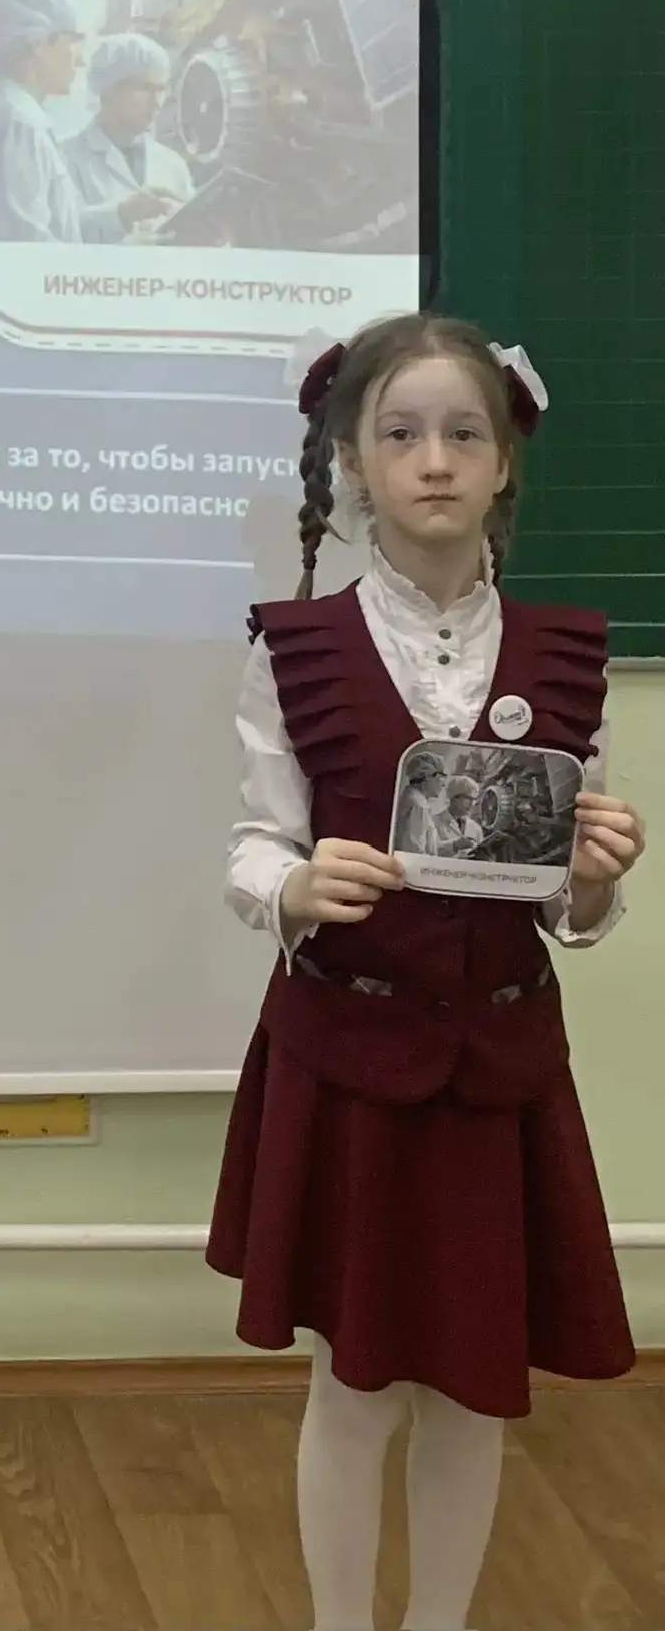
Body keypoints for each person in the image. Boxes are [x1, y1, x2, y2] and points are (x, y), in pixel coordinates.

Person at [210, 312, 647, 1631]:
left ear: (505, 461)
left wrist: (595, 880)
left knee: (471, 1387)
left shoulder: (566, 656)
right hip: (350, 1059)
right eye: (402, 433)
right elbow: (255, 841)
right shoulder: (296, 645)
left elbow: (567, 900)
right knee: (354, 1385)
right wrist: (292, 887)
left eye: (466, 433)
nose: (437, 459)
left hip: (498, 1072)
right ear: (353, 460)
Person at [0, 0, 90, 243]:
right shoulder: (19, 124)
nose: (81, 60)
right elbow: (27, 248)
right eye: (74, 42)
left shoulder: (3, 108)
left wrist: (120, 217)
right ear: (40, 44)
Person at [63, 32, 194, 242]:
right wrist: (123, 213)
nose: (156, 102)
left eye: (161, 89)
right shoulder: (65, 158)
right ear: (108, 89)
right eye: (144, 88)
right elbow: (60, 231)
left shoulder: (173, 164)